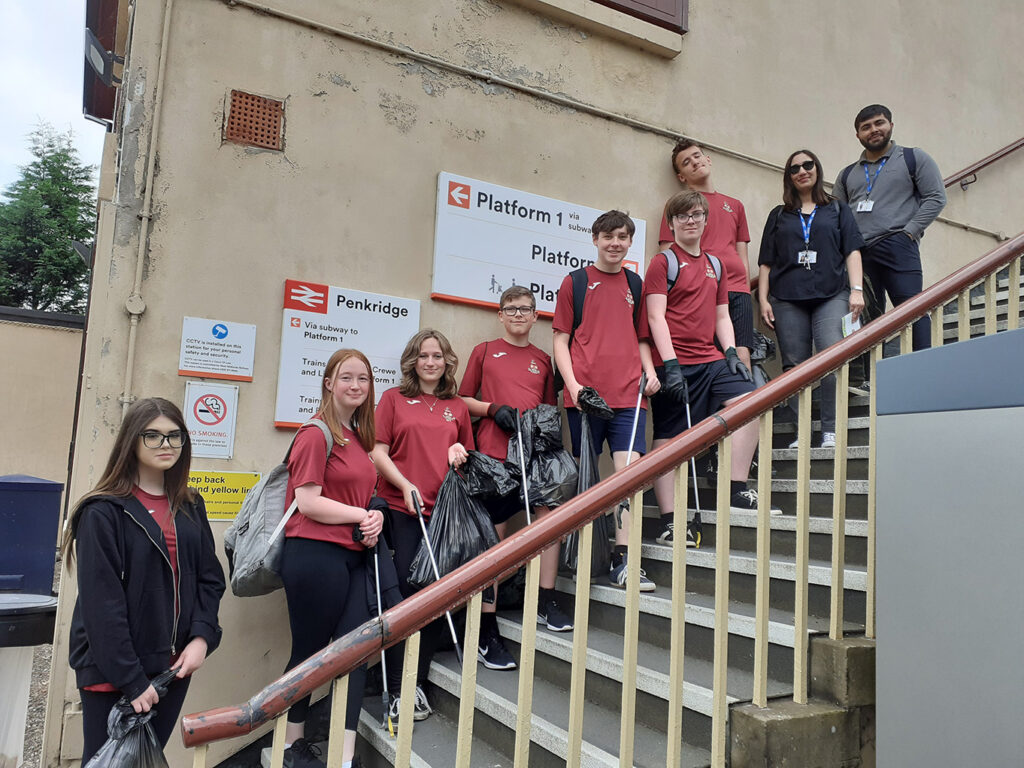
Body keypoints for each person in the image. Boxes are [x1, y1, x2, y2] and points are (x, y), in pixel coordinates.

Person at [65, 397, 225, 765]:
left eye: (174, 436)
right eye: (152, 436)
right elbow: (102, 605)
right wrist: (132, 680)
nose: (166, 445)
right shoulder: (102, 511)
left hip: (172, 668)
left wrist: (201, 637)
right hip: (114, 673)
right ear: (131, 442)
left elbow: (210, 580)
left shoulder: (190, 505)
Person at [645, 191, 781, 546]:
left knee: (751, 405)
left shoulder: (716, 265)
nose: (690, 221)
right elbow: (655, 316)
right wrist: (670, 365)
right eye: (682, 216)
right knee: (669, 439)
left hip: (711, 359)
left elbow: (723, 316)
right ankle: (671, 522)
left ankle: (736, 488)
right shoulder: (663, 263)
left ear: (705, 220)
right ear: (672, 224)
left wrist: (733, 353)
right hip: (674, 365)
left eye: (696, 215)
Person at [279, 348, 384, 768]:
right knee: (309, 652)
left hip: (353, 559)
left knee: (354, 654)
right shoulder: (315, 432)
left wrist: (374, 515)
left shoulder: (357, 437)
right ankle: (292, 745)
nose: (356, 385)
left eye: (363, 378)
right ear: (329, 383)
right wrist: (363, 514)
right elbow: (308, 502)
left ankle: (343, 756)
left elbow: (358, 495)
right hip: (314, 556)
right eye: (346, 378)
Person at [459, 285, 573, 649]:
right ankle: (486, 622)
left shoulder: (542, 359)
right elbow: (462, 400)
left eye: (525, 309)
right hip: (493, 455)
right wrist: (493, 409)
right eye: (511, 309)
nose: (518, 314)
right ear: (501, 315)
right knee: (493, 535)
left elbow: (548, 410)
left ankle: (545, 598)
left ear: (535, 315)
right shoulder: (485, 351)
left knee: (549, 518)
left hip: (533, 456)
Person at [552, 210, 661, 591]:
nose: (615, 243)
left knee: (629, 478)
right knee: (586, 479)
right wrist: (574, 386)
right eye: (608, 236)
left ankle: (624, 560)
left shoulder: (636, 283)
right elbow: (560, 341)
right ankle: (584, 552)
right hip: (586, 399)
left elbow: (642, 338)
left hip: (630, 396)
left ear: (630, 242)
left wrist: (651, 371)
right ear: (595, 239)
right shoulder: (576, 282)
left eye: (622, 237)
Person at [372, 329, 474, 720]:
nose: (431, 362)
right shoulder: (392, 399)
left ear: (448, 361)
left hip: (444, 514)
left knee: (435, 600)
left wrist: (458, 452)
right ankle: (397, 689)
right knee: (405, 599)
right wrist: (404, 484)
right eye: (423, 356)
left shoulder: (458, 407)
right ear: (412, 361)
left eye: (438, 356)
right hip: (403, 509)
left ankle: (415, 685)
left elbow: (467, 456)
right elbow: (378, 452)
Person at [758, 150, 866, 449]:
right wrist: (764, 298)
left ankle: (829, 429)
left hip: (832, 293)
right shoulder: (778, 215)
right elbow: (766, 262)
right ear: (788, 176)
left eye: (808, 165)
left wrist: (856, 289)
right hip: (787, 298)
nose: (802, 171)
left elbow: (852, 251)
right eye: (795, 168)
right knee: (794, 365)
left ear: (817, 169)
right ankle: (801, 431)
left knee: (830, 356)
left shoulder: (837, 209)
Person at [833, 104, 946, 356]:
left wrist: (909, 232)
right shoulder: (847, 174)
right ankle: (873, 375)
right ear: (858, 135)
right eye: (866, 127)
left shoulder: (913, 157)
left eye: (879, 123)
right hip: (858, 253)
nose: (873, 130)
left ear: (890, 126)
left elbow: (936, 197)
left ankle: (922, 367)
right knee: (866, 317)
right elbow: (836, 216)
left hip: (897, 244)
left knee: (912, 310)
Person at [659, 139, 756, 371]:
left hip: (738, 291)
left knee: (742, 357)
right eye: (686, 162)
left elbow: (741, 253)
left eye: (697, 156)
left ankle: (744, 405)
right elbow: (667, 253)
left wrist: (744, 285)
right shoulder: (677, 207)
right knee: (711, 358)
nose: (694, 162)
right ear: (681, 177)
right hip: (703, 290)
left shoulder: (735, 205)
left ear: (708, 159)